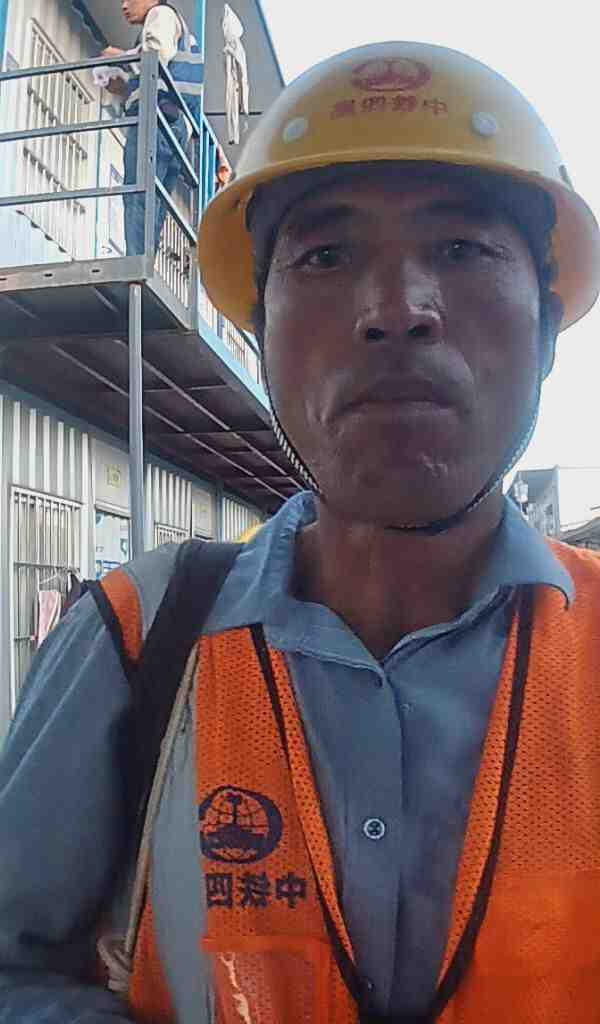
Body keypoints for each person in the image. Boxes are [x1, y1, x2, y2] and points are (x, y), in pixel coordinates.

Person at [2, 39, 600, 1023]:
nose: (397, 311)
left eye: (462, 248)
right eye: (325, 255)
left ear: (546, 326)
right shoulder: (138, 642)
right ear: (260, 331)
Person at [102, 0, 203, 256]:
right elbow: (158, 73)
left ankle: (136, 261)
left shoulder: (160, 14)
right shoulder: (176, 26)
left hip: (156, 121)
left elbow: (155, 58)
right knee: (154, 201)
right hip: (173, 125)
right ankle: (144, 261)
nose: (124, 6)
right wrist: (123, 85)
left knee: (138, 192)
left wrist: (120, 58)